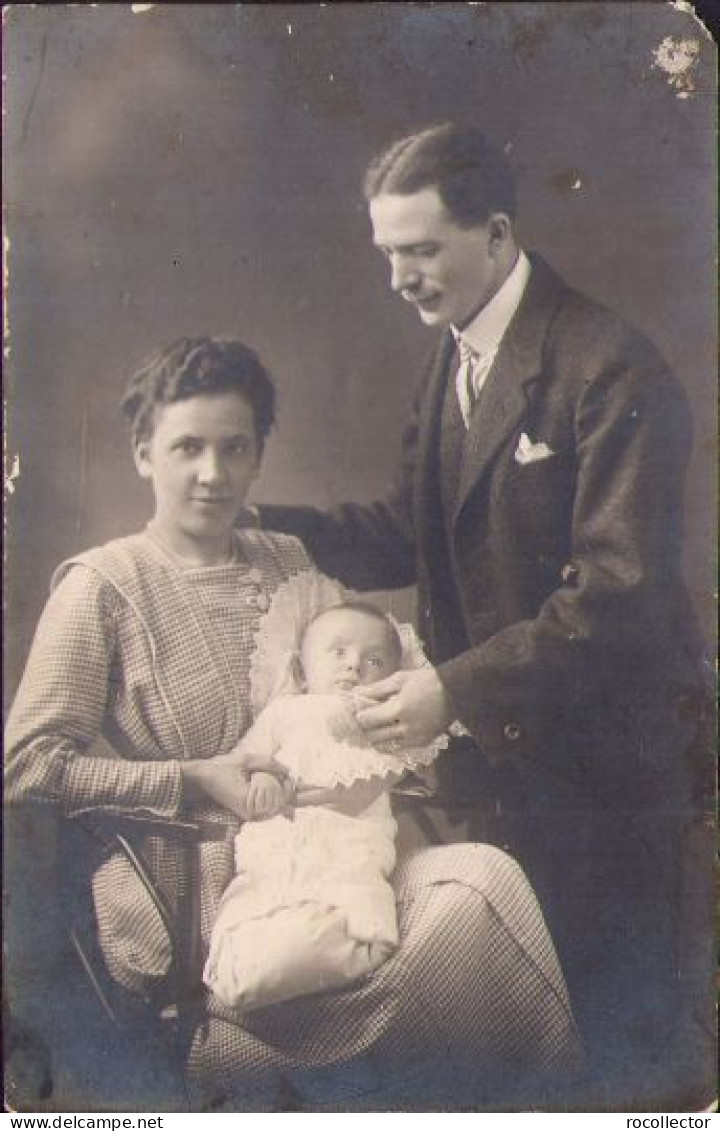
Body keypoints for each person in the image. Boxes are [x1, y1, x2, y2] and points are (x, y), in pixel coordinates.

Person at [5, 335, 581, 1111]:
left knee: (486, 881)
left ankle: (556, 1110)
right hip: (215, 896)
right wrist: (193, 778)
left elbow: (346, 691)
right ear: (143, 453)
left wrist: (392, 737)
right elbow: (26, 767)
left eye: (234, 448)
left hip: (347, 860)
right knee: (463, 920)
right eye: (186, 448)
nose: (212, 473)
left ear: (258, 456)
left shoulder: (286, 561)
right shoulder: (104, 586)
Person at [254, 123, 709, 1105]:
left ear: (497, 235)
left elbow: (620, 597)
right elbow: (409, 531)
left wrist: (449, 688)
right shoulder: (454, 356)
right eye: (387, 255)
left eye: (420, 252)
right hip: (500, 770)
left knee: (623, 1045)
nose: (400, 280)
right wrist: (258, 523)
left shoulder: (608, 365)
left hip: (605, 777)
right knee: (520, 1039)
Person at [204, 601, 445, 1013]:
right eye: (338, 653)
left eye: (374, 660)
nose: (353, 668)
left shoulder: (382, 719)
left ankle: (315, 956)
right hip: (277, 848)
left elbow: (413, 764)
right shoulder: (282, 713)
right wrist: (263, 777)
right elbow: (247, 760)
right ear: (301, 669)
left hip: (345, 853)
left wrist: (381, 768)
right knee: (256, 910)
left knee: (345, 906)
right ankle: (259, 965)